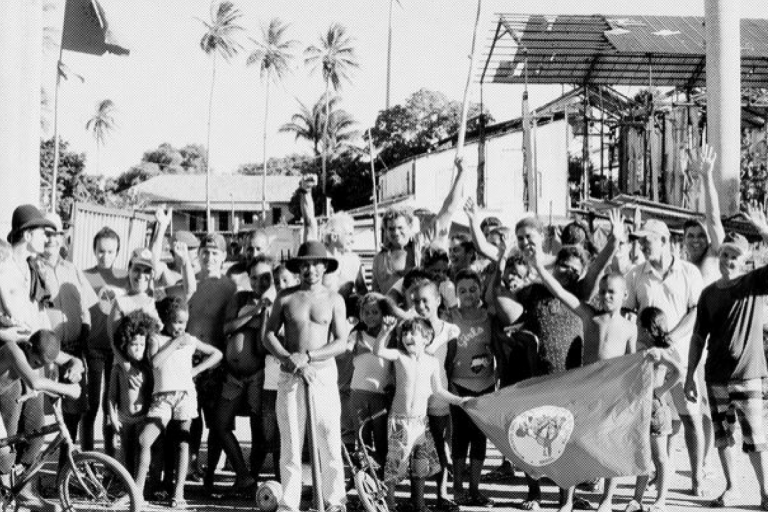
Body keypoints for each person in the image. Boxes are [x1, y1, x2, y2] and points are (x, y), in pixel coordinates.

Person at [525, 245, 636, 512]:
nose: (607, 296)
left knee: (611, 449)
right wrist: (540, 268)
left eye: (613, 292)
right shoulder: (590, 316)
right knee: (572, 446)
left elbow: (632, 363)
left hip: (612, 394)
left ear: (625, 295)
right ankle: (568, 501)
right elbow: (561, 293)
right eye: (603, 291)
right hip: (585, 391)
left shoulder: (630, 327)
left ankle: (607, 501)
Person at [686, 209, 768, 510]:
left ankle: (765, 492)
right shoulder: (708, 293)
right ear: (719, 256)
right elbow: (697, 338)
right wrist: (689, 376)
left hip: (750, 375)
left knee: (755, 439)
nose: (729, 260)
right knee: (723, 437)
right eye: (725, 255)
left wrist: (764, 231)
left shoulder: (755, 283)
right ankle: (731, 487)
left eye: (735, 256)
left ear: (744, 260)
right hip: (715, 375)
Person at [264, 241, 348, 512]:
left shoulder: (335, 299)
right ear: (298, 267)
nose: (310, 269)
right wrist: (290, 359)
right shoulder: (285, 297)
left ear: (324, 266)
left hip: (321, 372)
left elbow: (341, 342)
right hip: (290, 373)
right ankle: (290, 503)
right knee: (290, 440)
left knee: (329, 438)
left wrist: (309, 357)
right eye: (305, 264)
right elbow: (268, 335)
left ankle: (335, 501)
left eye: (315, 263)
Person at [625, 218, 706, 495]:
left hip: (683, 358)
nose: (643, 246)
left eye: (647, 240)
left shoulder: (689, 272)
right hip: (648, 364)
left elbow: (696, 310)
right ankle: (657, 477)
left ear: (664, 240)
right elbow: (628, 312)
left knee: (690, 418)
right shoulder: (635, 274)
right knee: (656, 423)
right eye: (641, 241)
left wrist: (673, 336)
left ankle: (697, 479)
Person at [373, 316, 469, 512]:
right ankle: (389, 503)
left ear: (426, 338)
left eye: (412, 333)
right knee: (394, 465)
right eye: (405, 333)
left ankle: (419, 503)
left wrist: (459, 401)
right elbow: (378, 350)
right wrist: (385, 331)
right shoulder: (400, 357)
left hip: (420, 423)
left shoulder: (432, 363)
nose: (407, 336)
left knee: (420, 467)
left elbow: (439, 391)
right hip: (399, 421)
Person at [134, 296, 222, 508]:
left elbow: (216, 354)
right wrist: (174, 343)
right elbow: (155, 363)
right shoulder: (156, 339)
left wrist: (196, 370)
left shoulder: (190, 340)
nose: (181, 327)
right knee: (146, 440)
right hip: (162, 398)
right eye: (177, 322)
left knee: (183, 443)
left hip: (185, 396)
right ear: (165, 319)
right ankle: (137, 489)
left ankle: (179, 491)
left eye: (184, 322)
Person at [208, 255, 275, 492]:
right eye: (254, 278)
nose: (259, 283)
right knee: (220, 424)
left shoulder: (277, 301)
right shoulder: (241, 298)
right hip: (233, 376)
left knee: (260, 431)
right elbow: (227, 328)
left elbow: (266, 343)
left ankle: (253, 479)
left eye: (265, 277)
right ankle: (243, 474)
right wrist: (254, 313)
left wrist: (262, 314)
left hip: (258, 375)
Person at [0, 329, 82, 511]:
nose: (37, 367)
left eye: (42, 365)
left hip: (5, 391)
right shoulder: (12, 349)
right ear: (29, 347)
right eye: (36, 362)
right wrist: (69, 390)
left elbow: (72, 360)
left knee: (36, 437)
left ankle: (22, 492)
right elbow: (35, 382)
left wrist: (76, 367)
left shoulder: (38, 348)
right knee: (4, 451)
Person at [39, 213, 98, 445]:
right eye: (45, 234)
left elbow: (87, 310)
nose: (51, 239)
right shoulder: (33, 269)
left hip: (73, 353)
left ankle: (66, 472)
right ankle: (28, 476)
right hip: (44, 354)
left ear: (62, 237)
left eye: (55, 234)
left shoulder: (72, 269)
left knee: (72, 417)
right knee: (39, 415)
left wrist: (83, 344)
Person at [371, 157, 469, 294]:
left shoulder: (421, 243)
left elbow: (448, 210)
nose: (396, 233)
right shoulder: (379, 259)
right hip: (391, 312)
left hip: (420, 309)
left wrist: (461, 174)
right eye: (391, 228)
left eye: (400, 228)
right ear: (385, 230)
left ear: (410, 227)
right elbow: (375, 291)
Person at [186, 233, 236, 480]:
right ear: (198, 254)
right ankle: (192, 464)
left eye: (215, 253)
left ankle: (212, 470)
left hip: (215, 360)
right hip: (188, 358)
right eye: (205, 252)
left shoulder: (229, 288)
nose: (209, 257)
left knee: (215, 419)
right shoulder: (190, 282)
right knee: (189, 415)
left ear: (224, 257)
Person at [444, 270, 495, 507]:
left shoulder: (489, 316)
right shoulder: (450, 316)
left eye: (472, 289)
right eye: (462, 290)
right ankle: (457, 489)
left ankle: (475, 489)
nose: (468, 294)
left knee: (479, 439)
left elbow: (495, 349)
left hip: (486, 385)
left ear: (480, 289)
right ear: (456, 293)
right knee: (460, 438)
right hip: (458, 385)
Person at [626, 307, 683, 512]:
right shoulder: (639, 347)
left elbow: (678, 371)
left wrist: (661, 391)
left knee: (660, 458)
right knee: (643, 457)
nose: (637, 328)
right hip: (640, 408)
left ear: (648, 329)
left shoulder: (660, 351)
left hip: (656, 409)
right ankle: (637, 499)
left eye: (639, 324)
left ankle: (661, 500)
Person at [411, 280, 460, 511]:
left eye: (425, 300)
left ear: (438, 300)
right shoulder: (410, 328)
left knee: (440, 444)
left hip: (439, 392)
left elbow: (449, 362)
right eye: (416, 301)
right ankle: (416, 498)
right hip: (415, 395)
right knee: (417, 445)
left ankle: (442, 494)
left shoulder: (448, 329)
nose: (420, 306)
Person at [83, 226, 129, 455]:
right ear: (94, 249)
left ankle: (110, 460)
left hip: (117, 349)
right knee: (90, 407)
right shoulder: (85, 276)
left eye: (111, 252)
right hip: (93, 348)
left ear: (117, 252)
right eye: (101, 251)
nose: (105, 256)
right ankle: (88, 458)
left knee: (110, 405)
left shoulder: (124, 277)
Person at [348, 292, 394, 470]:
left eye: (375, 312)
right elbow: (345, 346)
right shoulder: (357, 334)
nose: (370, 316)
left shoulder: (390, 336)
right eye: (366, 312)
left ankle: (381, 476)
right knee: (362, 439)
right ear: (360, 315)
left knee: (382, 439)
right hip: (358, 394)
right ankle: (363, 478)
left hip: (381, 396)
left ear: (383, 314)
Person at [108, 311, 156, 477]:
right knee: (127, 452)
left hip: (143, 418)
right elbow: (111, 396)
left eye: (142, 345)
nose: (138, 348)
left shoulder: (147, 369)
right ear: (124, 344)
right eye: (134, 344)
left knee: (140, 450)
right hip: (124, 418)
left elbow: (151, 393)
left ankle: (139, 483)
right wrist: (113, 417)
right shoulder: (118, 369)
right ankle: (127, 485)